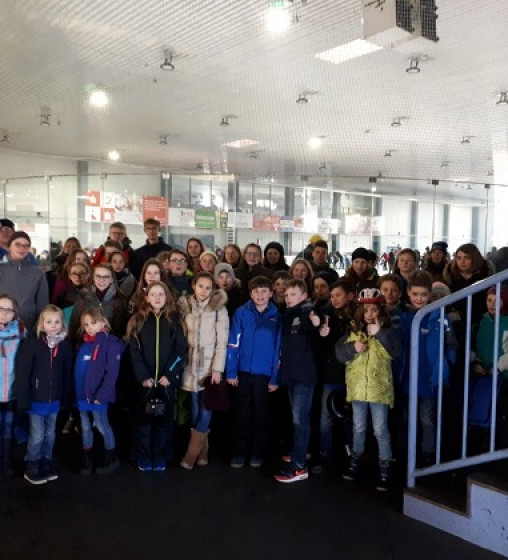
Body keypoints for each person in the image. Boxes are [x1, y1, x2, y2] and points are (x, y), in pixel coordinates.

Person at [335, 288, 400, 491]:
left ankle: (385, 467)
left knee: (380, 429)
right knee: (358, 427)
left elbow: (396, 352)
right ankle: (355, 461)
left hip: (379, 390)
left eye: (374, 310)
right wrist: (353, 348)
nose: (370, 314)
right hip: (357, 389)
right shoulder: (352, 332)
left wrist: (379, 334)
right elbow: (339, 354)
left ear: (381, 312)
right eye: (366, 310)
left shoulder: (389, 332)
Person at [397, 270, 457, 466]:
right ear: (408, 292)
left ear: (430, 294)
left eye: (423, 294)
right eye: (415, 294)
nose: (419, 298)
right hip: (406, 378)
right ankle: (405, 451)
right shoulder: (402, 316)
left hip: (428, 378)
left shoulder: (439, 317)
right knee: (405, 418)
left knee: (427, 419)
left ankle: (428, 453)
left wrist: (446, 364)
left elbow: (451, 344)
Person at [127, 282, 187, 471]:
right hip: (144, 383)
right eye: (153, 294)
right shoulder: (138, 321)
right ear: (146, 298)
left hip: (166, 382)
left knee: (164, 422)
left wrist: (169, 375)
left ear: (167, 297)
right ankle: (143, 456)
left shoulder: (175, 321)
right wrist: (143, 376)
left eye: (161, 294)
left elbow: (180, 351)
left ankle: (161, 456)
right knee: (143, 422)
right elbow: (134, 351)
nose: (157, 298)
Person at [226, 276, 282, 468]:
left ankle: (257, 453)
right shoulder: (241, 313)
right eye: (256, 291)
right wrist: (231, 372)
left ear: (271, 293)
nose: (260, 295)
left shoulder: (277, 316)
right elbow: (233, 343)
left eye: (264, 291)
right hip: (242, 372)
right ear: (250, 294)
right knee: (241, 414)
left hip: (264, 374)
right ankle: (239, 452)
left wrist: (275, 377)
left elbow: (278, 349)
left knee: (261, 415)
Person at [15, 305, 73, 484]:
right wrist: (23, 400)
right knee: (37, 434)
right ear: (41, 324)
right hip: (35, 400)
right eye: (49, 322)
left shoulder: (65, 346)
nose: (53, 325)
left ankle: (46, 461)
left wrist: (66, 398)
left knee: (50, 433)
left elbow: (67, 373)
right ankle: (32, 464)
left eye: (57, 321)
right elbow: (23, 374)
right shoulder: (31, 345)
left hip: (54, 400)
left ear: (62, 324)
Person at [178, 272, 229, 469]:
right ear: (194, 286)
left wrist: (217, 369)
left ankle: (191, 453)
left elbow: (222, 342)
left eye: (208, 287)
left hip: (209, 365)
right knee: (194, 407)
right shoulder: (185, 306)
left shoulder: (219, 309)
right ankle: (203, 449)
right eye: (201, 286)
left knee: (206, 407)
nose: (204, 291)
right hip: (190, 364)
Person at [273, 279, 321, 483]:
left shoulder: (307, 312)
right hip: (291, 374)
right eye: (286, 295)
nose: (288, 298)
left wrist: (317, 324)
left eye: (293, 294)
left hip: (303, 376)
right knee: (297, 418)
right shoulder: (287, 314)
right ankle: (298, 453)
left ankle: (299, 466)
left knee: (300, 420)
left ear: (304, 296)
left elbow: (315, 328)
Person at [312, 279, 356, 474]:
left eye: (339, 295)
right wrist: (322, 335)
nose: (335, 299)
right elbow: (319, 347)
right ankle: (325, 456)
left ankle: (351, 458)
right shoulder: (325, 315)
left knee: (353, 421)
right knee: (326, 419)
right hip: (331, 375)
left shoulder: (358, 316)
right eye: (332, 296)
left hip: (354, 376)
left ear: (350, 296)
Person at [74, 307, 124, 475]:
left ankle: (111, 457)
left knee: (102, 425)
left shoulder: (111, 344)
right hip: (82, 395)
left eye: (93, 323)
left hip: (97, 397)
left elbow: (112, 373)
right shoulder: (83, 344)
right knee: (85, 426)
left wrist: (102, 395)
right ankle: (87, 457)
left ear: (103, 322)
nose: (89, 327)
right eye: (86, 324)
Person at [0, 231, 49, 331]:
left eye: (26, 245)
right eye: (17, 244)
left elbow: (42, 304)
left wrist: (40, 327)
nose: (22, 248)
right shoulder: (1, 270)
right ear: (9, 246)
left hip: (29, 328)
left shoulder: (37, 273)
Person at [69, 263, 128, 343]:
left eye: (106, 277)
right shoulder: (84, 295)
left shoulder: (119, 299)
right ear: (93, 278)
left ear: (112, 279)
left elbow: (119, 329)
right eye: (98, 276)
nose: (101, 280)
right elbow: (74, 323)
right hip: (84, 342)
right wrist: (74, 344)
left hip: (107, 343)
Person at [0, 294, 25, 477]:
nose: (4, 313)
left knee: (8, 428)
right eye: (1, 309)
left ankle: (6, 459)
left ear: (15, 313)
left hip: (11, 391)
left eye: (8, 310)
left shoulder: (21, 331)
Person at [443, 243, 493, 328]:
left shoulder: (486, 276)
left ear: (475, 258)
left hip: (480, 321)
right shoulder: (449, 277)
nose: (462, 262)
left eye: (467, 258)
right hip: (455, 322)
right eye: (459, 258)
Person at [54, 261, 92, 326]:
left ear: (88, 275)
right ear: (70, 276)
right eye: (74, 273)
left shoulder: (93, 293)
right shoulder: (63, 294)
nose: (77, 277)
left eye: (82, 273)